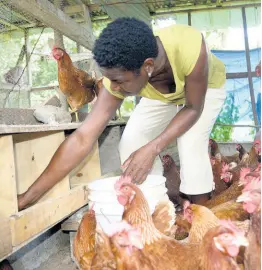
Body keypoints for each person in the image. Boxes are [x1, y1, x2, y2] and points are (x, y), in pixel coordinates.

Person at [18, 18, 226, 209]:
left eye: (118, 81)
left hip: (204, 88)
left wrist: (154, 147)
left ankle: (202, 215)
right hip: (160, 94)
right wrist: (28, 197)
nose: (113, 87)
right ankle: (154, 210)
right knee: (131, 142)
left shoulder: (188, 45)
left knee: (190, 142)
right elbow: (82, 137)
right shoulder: (120, 74)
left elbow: (192, 108)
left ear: (148, 66)